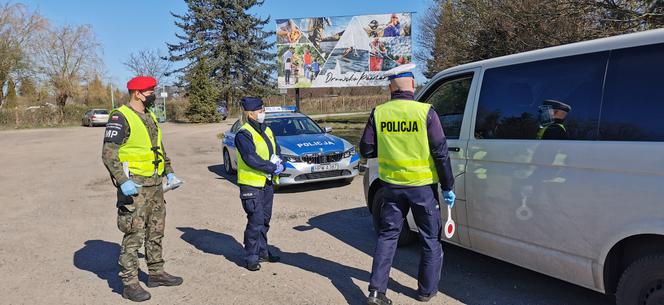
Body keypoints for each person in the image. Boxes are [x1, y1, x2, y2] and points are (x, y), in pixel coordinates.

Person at [359, 63, 455, 305]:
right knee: (430, 239)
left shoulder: (378, 113)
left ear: (391, 87)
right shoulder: (426, 112)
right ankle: (425, 291)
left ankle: (376, 292)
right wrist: (448, 186)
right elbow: (441, 153)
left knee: (388, 236)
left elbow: (366, 149)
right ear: (412, 85)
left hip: (391, 186)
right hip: (422, 188)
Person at [101, 76, 183, 302]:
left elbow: (158, 148)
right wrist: (121, 180)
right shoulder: (121, 116)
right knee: (134, 234)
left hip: (155, 184)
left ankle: (156, 273)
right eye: (150, 91)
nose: (153, 94)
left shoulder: (150, 116)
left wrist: (169, 172)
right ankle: (129, 283)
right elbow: (108, 154)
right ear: (138, 93)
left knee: (156, 230)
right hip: (134, 186)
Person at [234, 97, 284, 271]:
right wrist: (271, 167)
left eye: (263, 110)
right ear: (251, 113)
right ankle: (251, 256)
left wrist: (280, 162)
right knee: (255, 221)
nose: (263, 113)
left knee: (265, 220)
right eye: (260, 110)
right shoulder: (244, 133)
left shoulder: (267, 129)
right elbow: (250, 158)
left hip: (267, 183)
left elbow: (275, 149)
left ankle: (263, 251)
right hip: (251, 185)